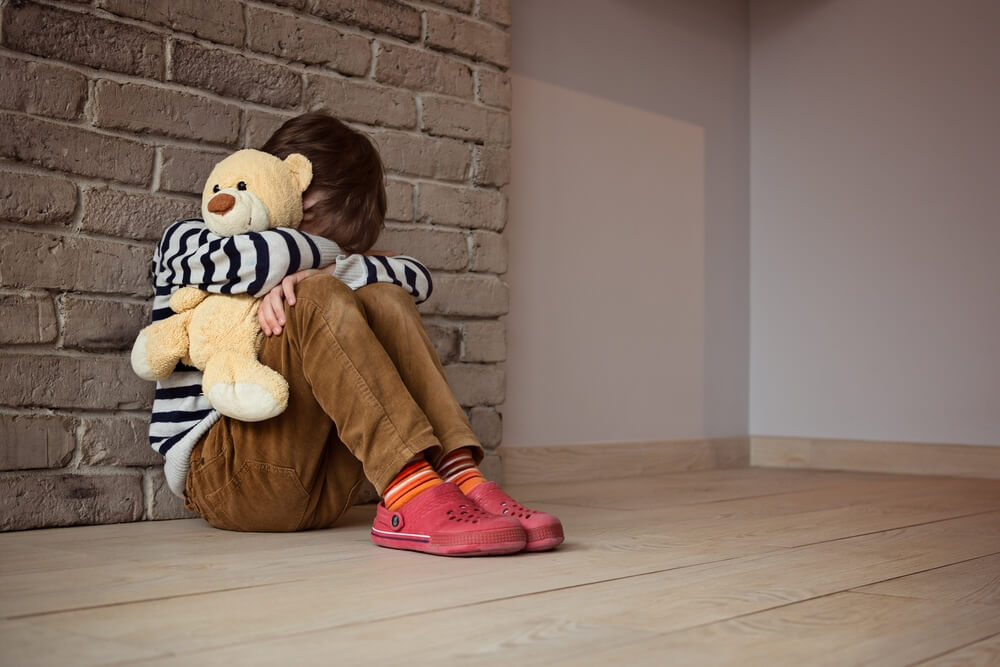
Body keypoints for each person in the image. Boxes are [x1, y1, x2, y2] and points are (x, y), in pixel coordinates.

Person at [145, 111, 563, 556]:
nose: (308, 240)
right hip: (225, 477)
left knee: (386, 297)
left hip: (326, 484)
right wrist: (325, 270)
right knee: (320, 294)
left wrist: (339, 267)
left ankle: (458, 476)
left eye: (332, 238)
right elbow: (264, 259)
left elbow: (416, 278)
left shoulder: (320, 263)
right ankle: (409, 490)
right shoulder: (188, 239)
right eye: (305, 218)